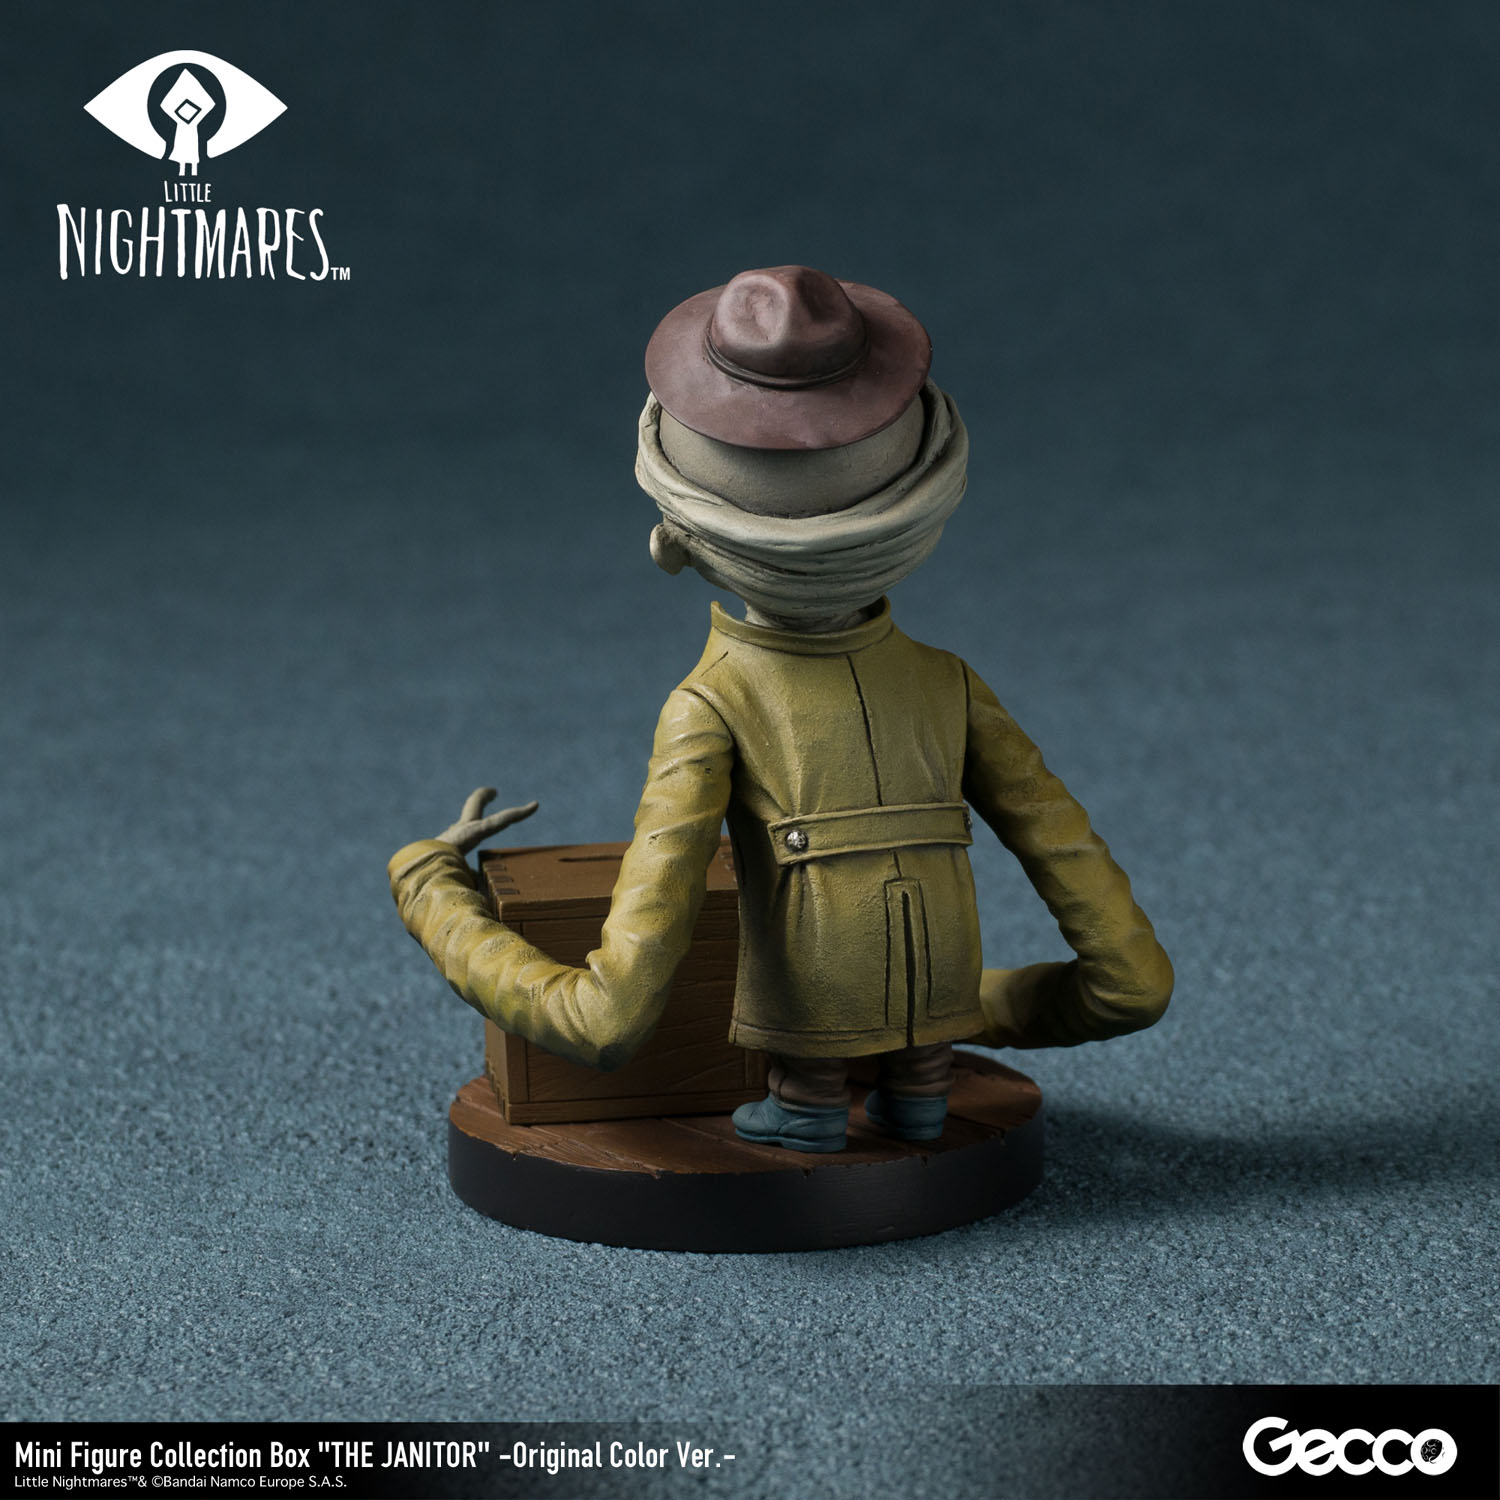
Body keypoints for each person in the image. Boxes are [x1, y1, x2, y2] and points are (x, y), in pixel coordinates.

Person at [389, 266, 1172, 1153]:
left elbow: (605, 1018)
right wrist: (952, 1007)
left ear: (675, 541)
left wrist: (429, 883)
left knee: (803, 1076)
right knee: (921, 1055)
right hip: (939, 1007)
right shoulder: (950, 684)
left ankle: (809, 1103)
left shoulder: (711, 703)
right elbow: (1132, 983)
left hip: (811, 1024)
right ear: (924, 518)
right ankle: (919, 1085)